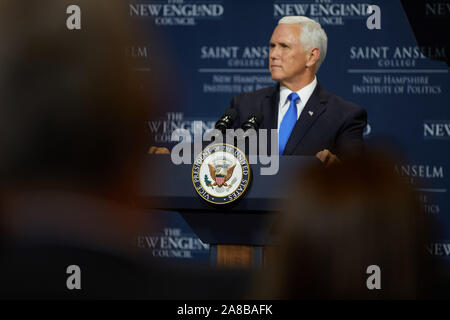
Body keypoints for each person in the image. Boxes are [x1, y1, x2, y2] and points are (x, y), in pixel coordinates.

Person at [228, 16, 367, 166]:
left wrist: (338, 169)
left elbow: (354, 178)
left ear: (311, 56)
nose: (273, 54)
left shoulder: (345, 116)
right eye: (272, 46)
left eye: (284, 46)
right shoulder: (244, 106)